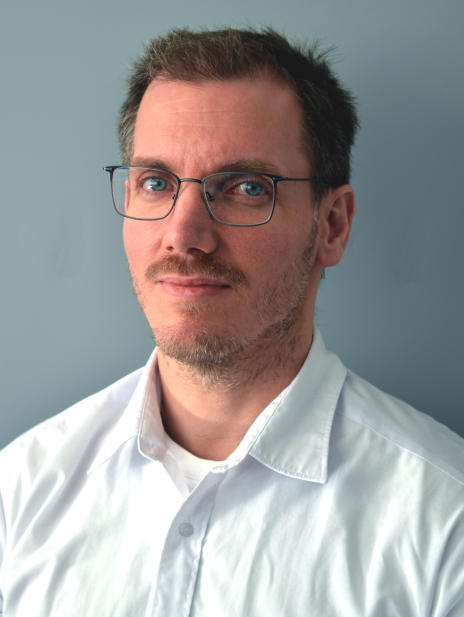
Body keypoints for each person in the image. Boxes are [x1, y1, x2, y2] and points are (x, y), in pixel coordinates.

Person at [0, 27, 463, 617]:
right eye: (155, 183)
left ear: (332, 226)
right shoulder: (20, 493)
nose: (184, 235)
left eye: (246, 188)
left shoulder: (444, 523)